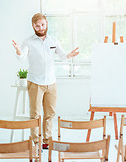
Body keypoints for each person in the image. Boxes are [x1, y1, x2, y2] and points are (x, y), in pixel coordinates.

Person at [12, 13, 79, 149]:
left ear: (46, 24)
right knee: (35, 114)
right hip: (35, 82)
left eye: (43, 24)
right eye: (37, 25)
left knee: (50, 114)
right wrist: (19, 51)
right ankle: (36, 141)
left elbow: (61, 55)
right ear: (33, 26)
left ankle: (46, 141)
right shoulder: (28, 41)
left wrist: (69, 55)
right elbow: (22, 57)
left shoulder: (53, 40)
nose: (41, 28)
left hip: (51, 83)